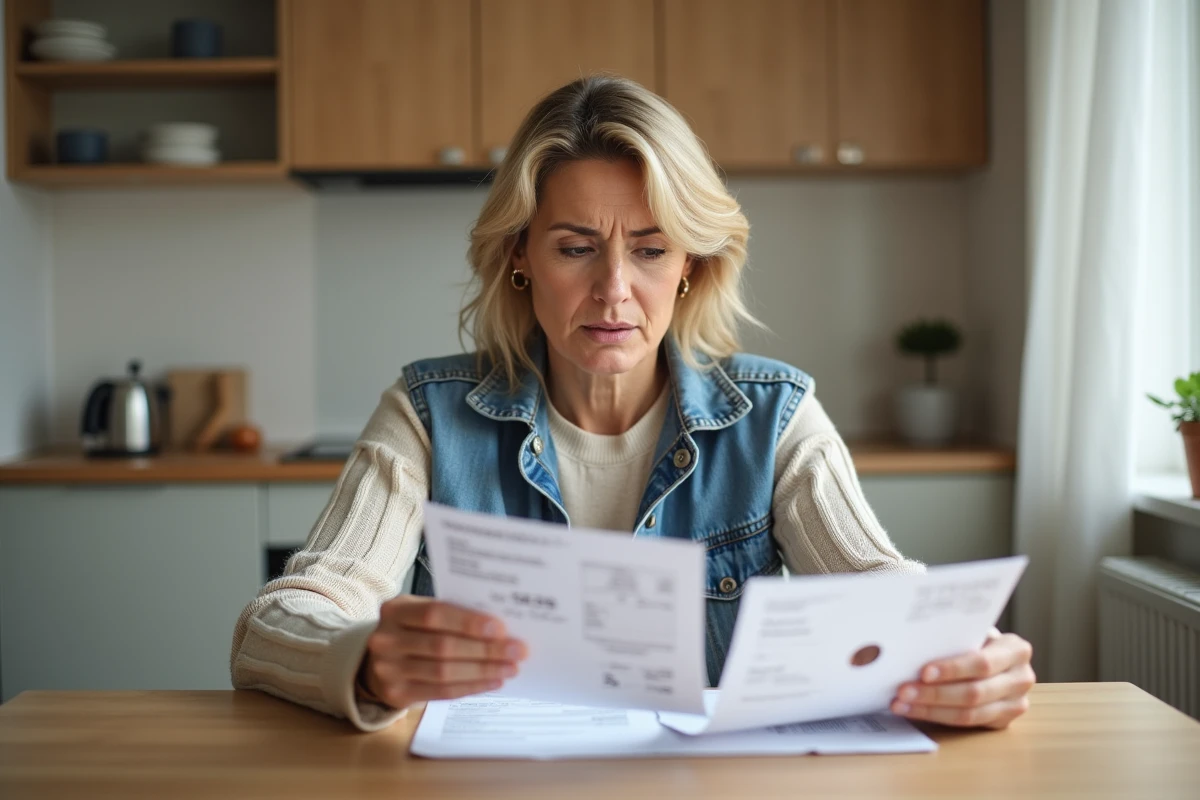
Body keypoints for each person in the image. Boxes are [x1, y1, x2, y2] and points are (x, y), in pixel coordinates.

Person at [231, 75, 1035, 733]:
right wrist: (365, 662)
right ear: (520, 256)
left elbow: (885, 596)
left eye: (650, 250)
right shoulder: (427, 415)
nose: (614, 290)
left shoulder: (776, 418)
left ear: (690, 266)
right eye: (575, 248)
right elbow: (275, 625)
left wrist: (965, 659)